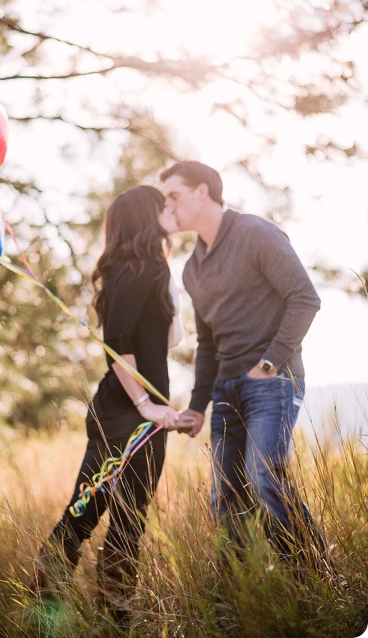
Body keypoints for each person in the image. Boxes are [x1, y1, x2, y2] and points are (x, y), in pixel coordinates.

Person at [31, 185, 193, 622]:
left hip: (139, 414)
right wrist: (144, 404)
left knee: (124, 524)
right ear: (146, 215)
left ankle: (112, 621)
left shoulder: (147, 268)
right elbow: (117, 343)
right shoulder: (138, 270)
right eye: (164, 204)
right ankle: (48, 619)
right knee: (87, 519)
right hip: (125, 416)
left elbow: (159, 340)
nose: (172, 209)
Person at [160, 160, 327, 564]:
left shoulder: (256, 233)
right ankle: (237, 601)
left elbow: (305, 299)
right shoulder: (192, 269)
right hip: (226, 390)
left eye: (174, 196)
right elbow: (209, 345)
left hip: (272, 382)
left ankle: (316, 577)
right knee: (226, 499)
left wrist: (268, 364)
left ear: (203, 192)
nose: (167, 207)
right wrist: (198, 407)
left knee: (265, 477)